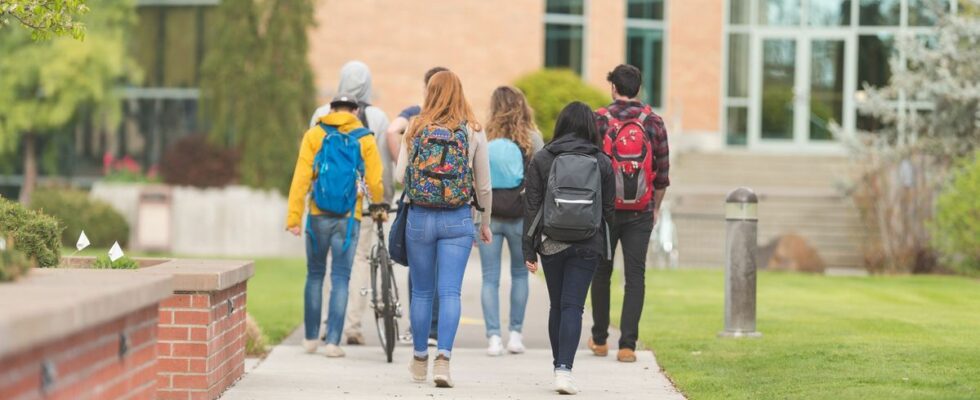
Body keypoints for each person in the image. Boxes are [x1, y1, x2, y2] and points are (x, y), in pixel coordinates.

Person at [395, 70, 493, 388]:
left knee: (422, 291)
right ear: (459, 92)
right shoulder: (474, 130)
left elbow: (399, 176)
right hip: (458, 218)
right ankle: (444, 361)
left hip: (420, 218)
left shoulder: (415, 127)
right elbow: (485, 186)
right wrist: (485, 223)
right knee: (450, 291)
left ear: (430, 93)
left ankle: (420, 357)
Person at [523, 101, 615, 395]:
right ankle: (565, 370)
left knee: (557, 305)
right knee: (573, 306)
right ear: (591, 126)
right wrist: (603, 244)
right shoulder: (602, 161)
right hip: (588, 242)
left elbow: (531, 206)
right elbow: (609, 210)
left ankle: (557, 366)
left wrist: (529, 249)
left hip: (551, 242)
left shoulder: (542, 158)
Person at [286, 93, 386, 358]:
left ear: (331, 109)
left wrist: (294, 218)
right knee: (341, 277)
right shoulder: (365, 138)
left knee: (315, 274)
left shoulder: (314, 135)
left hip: (317, 215)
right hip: (349, 217)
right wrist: (378, 206)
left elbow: (301, 178)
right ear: (355, 111)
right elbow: (375, 181)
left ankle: (309, 339)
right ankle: (332, 343)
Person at [590, 64, 670, 363]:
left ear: (613, 88)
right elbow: (662, 172)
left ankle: (599, 340)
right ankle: (627, 346)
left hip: (605, 210)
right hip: (641, 211)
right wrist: (656, 207)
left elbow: (588, 164)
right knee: (635, 276)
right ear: (639, 89)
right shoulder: (654, 122)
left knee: (601, 272)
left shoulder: (599, 119)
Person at [308, 61, 392, 346]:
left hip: (323, 205)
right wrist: (383, 201)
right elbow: (381, 168)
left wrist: (310, 196)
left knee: (327, 264)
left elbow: (311, 161)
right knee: (357, 262)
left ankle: (325, 326)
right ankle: (353, 326)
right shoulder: (379, 118)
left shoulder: (322, 113)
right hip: (362, 205)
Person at [477, 86, 544, 356]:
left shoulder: (483, 135)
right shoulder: (533, 138)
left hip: (489, 216)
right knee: (520, 275)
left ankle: (493, 337)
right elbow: (541, 179)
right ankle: (515, 335)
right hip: (521, 216)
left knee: (489, 278)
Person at [386, 66, 448, 346]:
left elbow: (391, 130)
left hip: (419, 204)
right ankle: (438, 333)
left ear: (426, 88)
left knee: (418, 269)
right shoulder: (461, 120)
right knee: (443, 271)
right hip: (451, 206)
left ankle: (417, 330)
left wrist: (407, 167)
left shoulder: (415, 118)